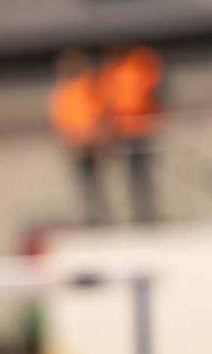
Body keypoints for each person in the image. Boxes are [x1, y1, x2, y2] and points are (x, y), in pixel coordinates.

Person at [102, 44, 164, 224]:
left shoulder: (139, 66)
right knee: (132, 174)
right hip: (124, 129)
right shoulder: (113, 70)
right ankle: (139, 215)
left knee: (144, 173)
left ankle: (148, 214)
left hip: (140, 127)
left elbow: (150, 92)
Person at [49, 49, 110, 227]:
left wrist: (96, 139)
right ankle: (91, 221)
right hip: (76, 146)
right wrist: (70, 139)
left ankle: (102, 221)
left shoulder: (89, 87)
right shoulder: (61, 91)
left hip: (92, 145)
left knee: (98, 185)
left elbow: (99, 113)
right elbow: (59, 119)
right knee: (85, 186)